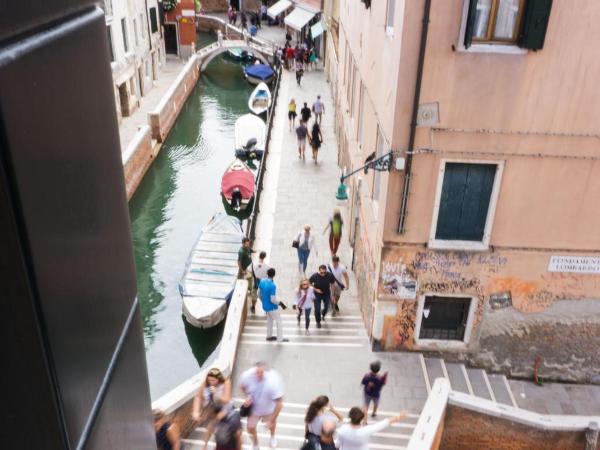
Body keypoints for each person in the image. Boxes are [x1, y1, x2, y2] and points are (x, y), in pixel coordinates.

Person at [239, 362, 285, 450]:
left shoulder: (273, 382)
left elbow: (279, 404)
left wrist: (271, 420)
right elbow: (242, 386)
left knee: (272, 425)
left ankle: (272, 436)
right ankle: (255, 443)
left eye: (261, 373)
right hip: (254, 410)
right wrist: (247, 395)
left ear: (266, 372)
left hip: (268, 410)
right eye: (256, 372)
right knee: (250, 428)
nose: (258, 375)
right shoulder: (248, 376)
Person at [337, 408, 408, 450]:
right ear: (361, 419)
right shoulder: (366, 430)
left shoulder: (342, 429)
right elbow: (385, 423)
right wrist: (399, 416)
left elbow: (338, 444)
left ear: (350, 416)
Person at [258, 268, 288, 342]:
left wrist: (263, 301)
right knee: (279, 321)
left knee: (270, 321)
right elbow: (273, 300)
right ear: (274, 275)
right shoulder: (272, 285)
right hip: (272, 307)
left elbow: (258, 294)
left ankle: (269, 336)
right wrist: (281, 303)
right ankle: (280, 338)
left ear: (267, 274)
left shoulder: (262, 281)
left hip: (265, 306)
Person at [238, 238, 254, 302]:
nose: (248, 245)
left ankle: (250, 290)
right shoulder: (241, 251)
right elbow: (239, 262)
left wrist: (255, 251)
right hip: (245, 269)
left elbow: (250, 250)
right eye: (247, 244)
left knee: (250, 279)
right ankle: (246, 292)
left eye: (248, 243)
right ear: (243, 243)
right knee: (247, 280)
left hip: (249, 267)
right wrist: (242, 270)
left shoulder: (247, 248)